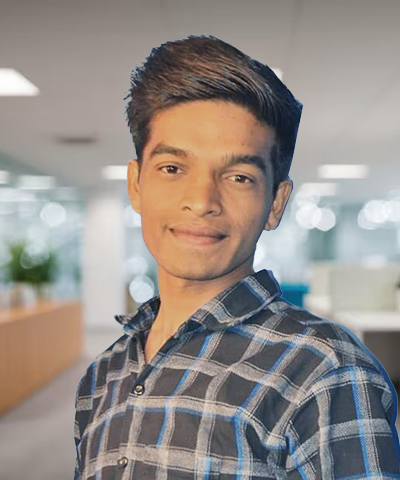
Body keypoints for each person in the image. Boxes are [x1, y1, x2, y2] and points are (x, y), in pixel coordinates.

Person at [74, 35, 400, 479]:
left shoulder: (325, 373)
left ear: (275, 203)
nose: (201, 201)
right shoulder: (103, 373)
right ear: (137, 185)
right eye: (172, 168)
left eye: (239, 177)